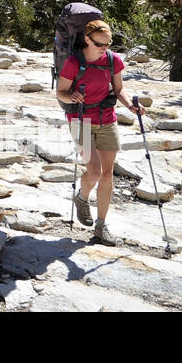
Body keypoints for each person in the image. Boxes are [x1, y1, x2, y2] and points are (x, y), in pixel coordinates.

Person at [56, 19, 143, 245]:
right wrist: (71, 97)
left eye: (108, 43)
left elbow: (119, 89)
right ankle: (82, 197)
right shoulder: (74, 62)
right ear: (87, 39)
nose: (105, 48)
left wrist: (130, 106)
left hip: (107, 120)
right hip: (80, 120)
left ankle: (101, 226)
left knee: (107, 173)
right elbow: (61, 92)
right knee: (93, 172)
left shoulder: (113, 61)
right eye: (99, 44)